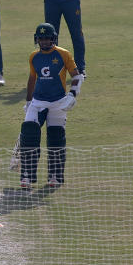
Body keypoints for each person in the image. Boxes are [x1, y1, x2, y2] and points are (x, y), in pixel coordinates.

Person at [19, 23, 83, 190]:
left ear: (53, 38)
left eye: (47, 38)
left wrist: (72, 94)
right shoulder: (34, 56)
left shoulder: (63, 54)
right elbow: (32, 79)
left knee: (56, 139)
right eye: (41, 39)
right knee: (29, 136)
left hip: (58, 102)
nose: (44, 42)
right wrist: (28, 102)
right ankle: (26, 176)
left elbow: (77, 76)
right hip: (38, 102)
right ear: (36, 40)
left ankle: (55, 175)